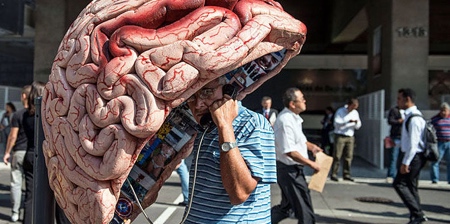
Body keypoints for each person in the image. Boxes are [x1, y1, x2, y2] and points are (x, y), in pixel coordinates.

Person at [183, 76, 277, 223]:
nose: (198, 104)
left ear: (228, 90)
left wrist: (225, 126)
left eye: (207, 92)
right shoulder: (205, 126)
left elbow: (239, 193)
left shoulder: (253, 123)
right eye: (191, 96)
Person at [271, 87, 322, 224]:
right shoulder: (285, 121)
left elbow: (300, 140)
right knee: (304, 209)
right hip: (289, 171)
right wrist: (312, 164)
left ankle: (260, 221)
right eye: (302, 99)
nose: (305, 101)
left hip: (292, 170)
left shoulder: (294, 118)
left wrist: (312, 147)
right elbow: (290, 151)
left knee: (286, 208)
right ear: (293, 104)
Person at [393, 88, 428, 224]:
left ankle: (418, 214)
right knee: (411, 186)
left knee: (399, 184)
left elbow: (413, 144)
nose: (398, 101)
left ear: (407, 99)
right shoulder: (411, 116)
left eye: (399, 98)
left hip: (413, 157)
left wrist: (405, 162)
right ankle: (415, 216)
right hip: (414, 156)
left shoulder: (414, 119)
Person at [3, 85, 31, 222]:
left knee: (16, 183)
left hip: (19, 151)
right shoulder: (36, 114)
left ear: (24, 96)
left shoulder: (18, 114)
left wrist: (7, 152)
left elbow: (12, 136)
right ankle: (30, 212)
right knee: (31, 184)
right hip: (32, 152)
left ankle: (15, 212)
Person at [22, 81, 46, 224]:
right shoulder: (49, 114)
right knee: (57, 197)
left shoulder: (25, 115)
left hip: (30, 155)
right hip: (47, 156)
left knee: (30, 196)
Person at [330, 98, 361, 182]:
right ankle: (334, 173)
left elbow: (358, 125)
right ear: (349, 105)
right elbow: (336, 123)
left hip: (350, 135)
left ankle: (346, 174)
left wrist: (355, 123)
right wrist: (347, 121)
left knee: (349, 156)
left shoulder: (355, 113)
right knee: (337, 155)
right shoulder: (340, 111)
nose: (353, 109)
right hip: (340, 135)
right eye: (353, 107)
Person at [430, 102, 450, 184]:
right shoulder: (435, 119)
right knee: (435, 161)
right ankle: (435, 179)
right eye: (442, 111)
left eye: (445, 111)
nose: (444, 113)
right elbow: (430, 129)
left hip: (449, 142)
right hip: (439, 143)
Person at [386, 106, 405, 183]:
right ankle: (391, 175)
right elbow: (390, 121)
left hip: (404, 137)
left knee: (403, 157)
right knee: (393, 156)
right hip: (395, 136)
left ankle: (401, 175)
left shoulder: (408, 111)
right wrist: (399, 121)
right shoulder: (394, 110)